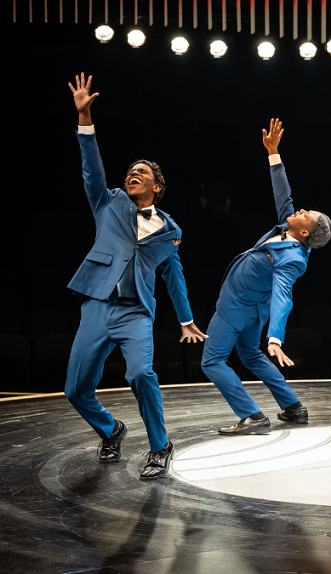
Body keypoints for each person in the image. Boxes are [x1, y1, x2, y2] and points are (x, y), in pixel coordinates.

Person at [65, 73, 207, 480]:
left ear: (157, 187)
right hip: (97, 304)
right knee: (75, 390)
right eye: (131, 170)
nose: (133, 173)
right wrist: (85, 118)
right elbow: (92, 169)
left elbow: (173, 275)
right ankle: (111, 429)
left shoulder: (170, 230)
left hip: (135, 313)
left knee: (140, 373)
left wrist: (185, 318)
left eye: (142, 172)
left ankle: (160, 446)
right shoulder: (107, 203)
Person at [201, 118, 331, 435]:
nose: (298, 210)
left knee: (211, 361)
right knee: (249, 355)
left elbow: (283, 296)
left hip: (238, 308)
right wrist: (273, 153)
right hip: (251, 308)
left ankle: (252, 416)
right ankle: (293, 407)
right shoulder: (287, 231)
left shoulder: (292, 259)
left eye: (304, 215)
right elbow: (283, 195)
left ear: (304, 232)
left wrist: (276, 337)